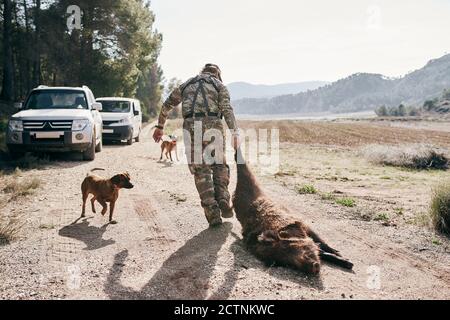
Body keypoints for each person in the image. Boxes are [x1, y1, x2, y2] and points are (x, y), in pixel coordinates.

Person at [153, 64, 240, 227]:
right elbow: (227, 110)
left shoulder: (186, 84)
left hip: (191, 128)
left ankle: (212, 213)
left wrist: (159, 127)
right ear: (218, 75)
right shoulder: (219, 85)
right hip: (213, 125)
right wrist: (235, 133)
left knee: (201, 171)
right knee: (219, 165)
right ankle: (222, 198)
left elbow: (167, 105)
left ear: (202, 72)